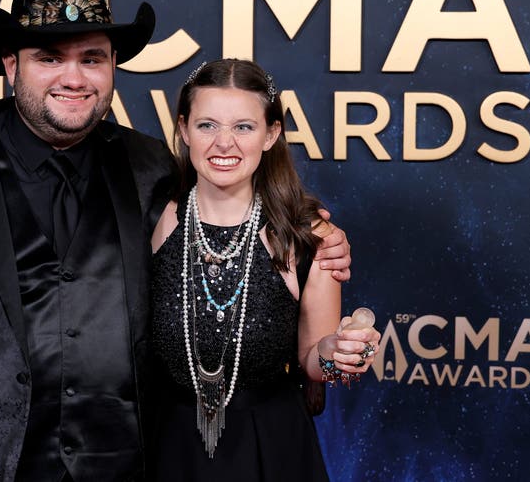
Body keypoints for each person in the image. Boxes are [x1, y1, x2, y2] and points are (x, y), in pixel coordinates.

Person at [0, 0, 352, 481]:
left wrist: (315, 235)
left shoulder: (151, 167)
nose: (74, 78)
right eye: (49, 57)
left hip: (127, 461)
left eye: (92, 58)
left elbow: (233, 204)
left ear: (113, 67)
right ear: (11, 65)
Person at [149, 59, 380, 481]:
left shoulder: (310, 236)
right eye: (206, 126)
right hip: (166, 447)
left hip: (271, 450)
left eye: (243, 127)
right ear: (183, 130)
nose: (224, 143)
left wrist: (335, 355)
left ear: (270, 134)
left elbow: (316, 365)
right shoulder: (152, 219)